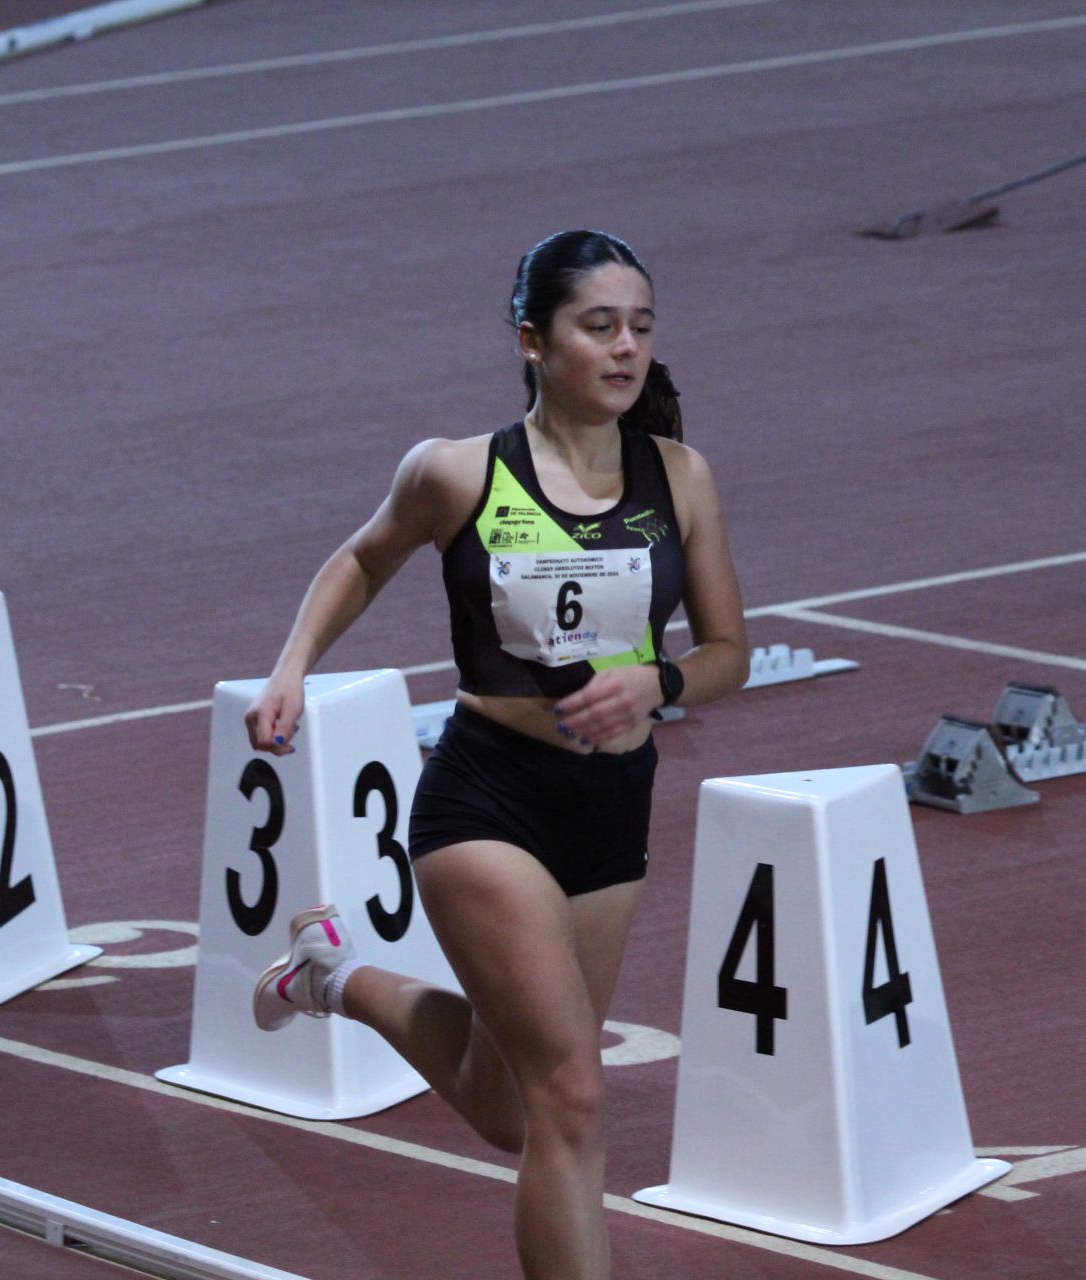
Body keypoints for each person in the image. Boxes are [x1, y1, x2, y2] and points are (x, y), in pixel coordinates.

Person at [242, 229, 748, 1280]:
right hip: (488, 796)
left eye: (640, 328)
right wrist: (291, 664)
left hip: (612, 802)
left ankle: (328, 975)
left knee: (507, 1104)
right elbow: (361, 558)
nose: (625, 349)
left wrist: (659, 682)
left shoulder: (682, 477)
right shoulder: (457, 472)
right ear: (532, 339)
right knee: (574, 1095)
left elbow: (730, 652)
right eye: (597, 325)